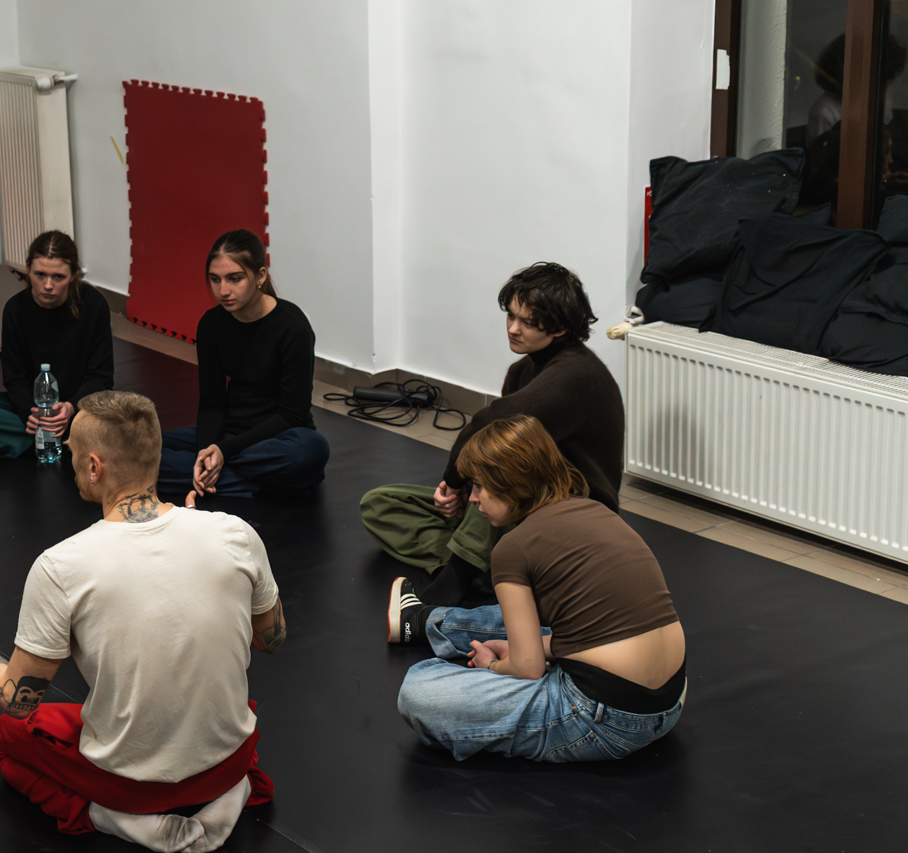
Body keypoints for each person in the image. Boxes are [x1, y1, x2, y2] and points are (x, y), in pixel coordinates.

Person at [0, 391, 282, 853]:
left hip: (134, 787)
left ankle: (114, 818)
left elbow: (16, 700)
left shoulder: (61, 566)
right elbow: (271, 639)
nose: (70, 460)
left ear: (94, 466)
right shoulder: (234, 533)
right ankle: (227, 798)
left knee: (7, 738)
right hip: (229, 762)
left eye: (73, 452)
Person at [387, 415, 686, 762]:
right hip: (671, 703)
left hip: (605, 720)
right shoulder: (595, 510)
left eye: (479, 486)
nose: (473, 499)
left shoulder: (513, 548)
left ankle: (424, 622)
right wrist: (533, 648)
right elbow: (601, 630)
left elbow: (527, 669)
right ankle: (420, 620)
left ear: (509, 481)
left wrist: (492, 667)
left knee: (419, 690)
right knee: (522, 620)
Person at [359, 262, 622, 606]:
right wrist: (464, 491)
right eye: (510, 315)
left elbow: (491, 426)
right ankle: (484, 569)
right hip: (521, 507)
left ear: (559, 327)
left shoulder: (577, 375)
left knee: (500, 471)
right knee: (380, 505)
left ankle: (458, 577)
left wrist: (454, 482)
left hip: (574, 516)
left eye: (527, 322)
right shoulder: (522, 370)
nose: (513, 328)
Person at [155, 229, 328, 499]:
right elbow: (212, 403)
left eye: (234, 279)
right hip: (229, 432)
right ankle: (255, 485)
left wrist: (225, 451)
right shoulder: (211, 324)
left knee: (310, 452)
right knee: (140, 449)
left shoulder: (293, 327)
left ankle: (207, 478)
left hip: (280, 436)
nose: (223, 291)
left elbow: (292, 414)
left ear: (260, 276)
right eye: (215, 279)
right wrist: (207, 452)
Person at [0, 230, 114, 459]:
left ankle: (36, 438)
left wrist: (71, 408)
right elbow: (15, 379)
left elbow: (101, 377)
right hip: (33, 408)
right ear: (28, 269)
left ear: (72, 275)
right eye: (40, 275)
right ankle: (55, 437)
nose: (47, 285)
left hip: (79, 410)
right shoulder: (15, 310)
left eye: (58, 277)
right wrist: (30, 415)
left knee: (128, 417)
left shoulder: (94, 305)